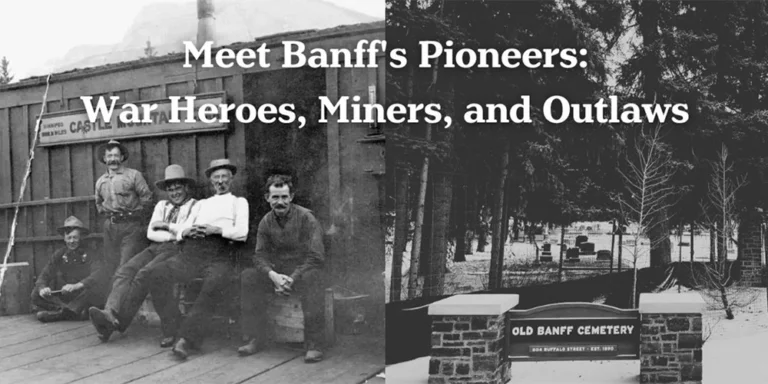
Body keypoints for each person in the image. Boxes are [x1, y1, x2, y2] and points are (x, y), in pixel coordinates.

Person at [147, 159, 249, 360]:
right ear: (211, 181)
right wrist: (186, 230)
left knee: (213, 285)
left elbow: (242, 233)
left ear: (231, 179)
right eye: (216, 177)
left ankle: (187, 339)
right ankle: (173, 326)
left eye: (224, 177)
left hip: (221, 252)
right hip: (193, 251)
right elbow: (182, 227)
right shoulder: (202, 204)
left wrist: (217, 230)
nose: (220, 182)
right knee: (155, 273)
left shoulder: (239, 202)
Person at [89, 164, 198, 346]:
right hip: (154, 247)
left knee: (143, 274)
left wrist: (168, 229)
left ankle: (118, 323)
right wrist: (174, 230)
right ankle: (110, 312)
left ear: (186, 187)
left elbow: (185, 233)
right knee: (125, 270)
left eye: (178, 188)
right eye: (170, 189)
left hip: (175, 250)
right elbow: (151, 233)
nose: (174, 193)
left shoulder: (195, 206)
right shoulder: (162, 205)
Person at [238, 174, 326, 363]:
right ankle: (255, 338)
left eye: (284, 197)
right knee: (249, 276)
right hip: (278, 274)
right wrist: (273, 275)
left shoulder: (306, 218)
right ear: (267, 198)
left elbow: (315, 257)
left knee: (314, 277)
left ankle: (314, 344)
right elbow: (259, 255)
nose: (280, 202)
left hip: (303, 272)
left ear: (292, 197)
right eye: (275, 197)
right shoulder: (265, 222)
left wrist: (292, 277)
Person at [31, 216, 108, 322]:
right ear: (64, 238)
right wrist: (42, 288)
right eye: (69, 238)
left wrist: (77, 286)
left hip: (84, 294)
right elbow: (45, 274)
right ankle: (69, 311)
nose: (71, 241)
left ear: (81, 237)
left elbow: (98, 274)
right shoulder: (60, 254)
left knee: (94, 289)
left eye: (75, 237)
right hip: (68, 296)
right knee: (35, 293)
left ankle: (61, 314)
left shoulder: (91, 253)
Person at [95, 139, 153, 277]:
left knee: (125, 265)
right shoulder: (101, 181)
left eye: (116, 155)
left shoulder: (133, 175)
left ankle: (123, 297)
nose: (113, 159)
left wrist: (137, 219)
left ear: (121, 157)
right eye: (109, 156)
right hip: (111, 227)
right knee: (111, 263)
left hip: (131, 226)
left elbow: (147, 198)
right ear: (104, 158)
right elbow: (98, 203)